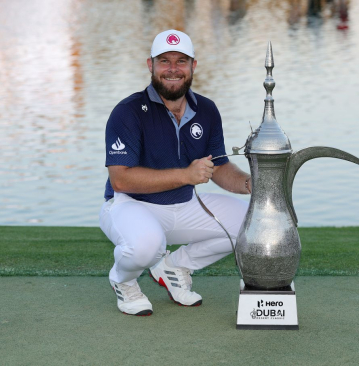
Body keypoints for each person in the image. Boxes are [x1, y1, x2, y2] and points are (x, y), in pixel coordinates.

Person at [99, 29, 251, 316]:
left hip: (184, 204)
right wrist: (185, 175)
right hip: (129, 205)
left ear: (193, 66)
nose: (172, 69)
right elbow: (120, 179)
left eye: (181, 61)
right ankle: (123, 280)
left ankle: (174, 266)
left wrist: (250, 183)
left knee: (249, 224)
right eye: (164, 61)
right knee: (146, 246)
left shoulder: (206, 109)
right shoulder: (128, 111)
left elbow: (218, 166)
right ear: (150, 65)